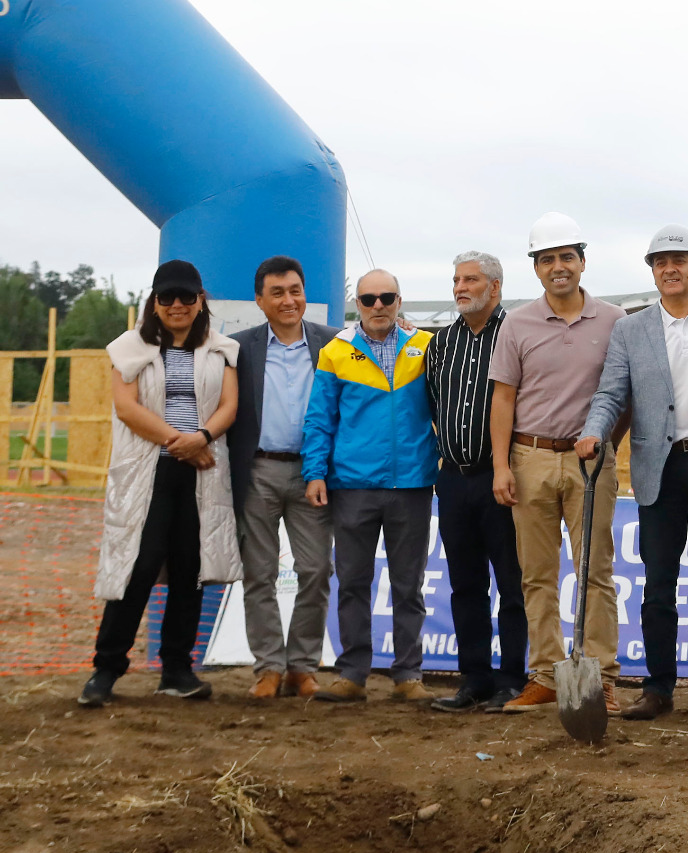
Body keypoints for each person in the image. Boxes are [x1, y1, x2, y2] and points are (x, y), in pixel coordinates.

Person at [577, 225, 688, 725]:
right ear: (652, 271)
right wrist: (595, 432)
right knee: (658, 585)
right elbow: (611, 393)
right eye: (659, 261)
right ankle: (658, 686)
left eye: (679, 260)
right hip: (659, 466)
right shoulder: (631, 329)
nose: (669, 269)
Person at [79, 260, 241, 707]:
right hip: (150, 471)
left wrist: (202, 438)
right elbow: (127, 408)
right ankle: (106, 668)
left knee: (191, 569)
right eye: (166, 297)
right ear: (154, 301)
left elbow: (229, 405)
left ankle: (176, 669)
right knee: (139, 565)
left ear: (200, 300)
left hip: (202, 472)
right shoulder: (129, 348)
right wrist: (180, 441)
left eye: (186, 297)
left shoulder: (222, 349)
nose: (176, 305)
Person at [489, 212, 626, 714]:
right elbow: (503, 399)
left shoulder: (615, 321)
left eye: (566, 257)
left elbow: (623, 394)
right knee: (537, 573)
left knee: (596, 572)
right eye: (547, 259)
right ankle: (545, 675)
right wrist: (502, 465)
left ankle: (602, 678)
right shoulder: (518, 324)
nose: (558, 267)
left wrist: (607, 442)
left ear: (582, 262)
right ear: (537, 268)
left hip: (592, 462)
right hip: (531, 459)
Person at [301, 269, 439, 704]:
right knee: (354, 581)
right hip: (353, 485)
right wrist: (314, 472)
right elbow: (320, 417)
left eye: (386, 297)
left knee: (408, 585)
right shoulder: (335, 351)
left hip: (413, 483)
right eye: (368, 299)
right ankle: (352, 674)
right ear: (356, 304)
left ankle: (408, 675)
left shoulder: (427, 347)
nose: (378, 305)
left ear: (400, 300)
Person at [228, 255, 338, 701]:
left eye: (295, 290)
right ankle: (269, 668)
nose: (289, 300)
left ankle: (302, 668)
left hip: (314, 474)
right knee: (259, 574)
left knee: (314, 570)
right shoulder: (238, 349)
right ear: (260, 300)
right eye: (277, 292)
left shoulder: (333, 344)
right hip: (257, 471)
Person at [426, 252, 528, 713]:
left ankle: (512, 679)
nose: (460, 287)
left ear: (496, 287)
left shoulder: (519, 335)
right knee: (464, 583)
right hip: (452, 478)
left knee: (512, 581)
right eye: (456, 280)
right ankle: (474, 678)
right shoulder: (441, 343)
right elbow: (432, 403)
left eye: (471, 280)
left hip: (502, 477)